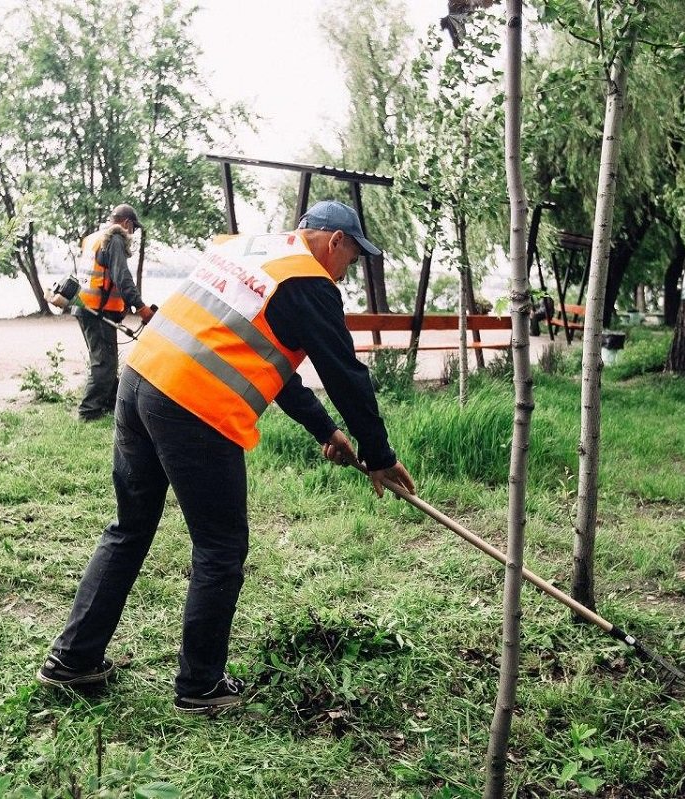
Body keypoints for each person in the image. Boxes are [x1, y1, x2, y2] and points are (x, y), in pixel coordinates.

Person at [37, 199, 416, 713]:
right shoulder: (310, 282)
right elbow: (346, 375)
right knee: (220, 547)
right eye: (351, 260)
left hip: (140, 379)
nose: (346, 273)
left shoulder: (253, 250)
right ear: (335, 241)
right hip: (194, 405)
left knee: (129, 528)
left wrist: (325, 428)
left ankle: (72, 661)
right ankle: (199, 686)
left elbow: (262, 358)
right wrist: (379, 456)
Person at [52, 203, 155, 422]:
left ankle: (109, 404)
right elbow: (122, 277)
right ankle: (88, 412)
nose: (132, 234)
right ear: (126, 223)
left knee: (106, 360)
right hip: (96, 310)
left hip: (85, 306)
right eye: (133, 229)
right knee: (105, 364)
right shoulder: (115, 239)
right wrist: (141, 307)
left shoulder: (94, 238)